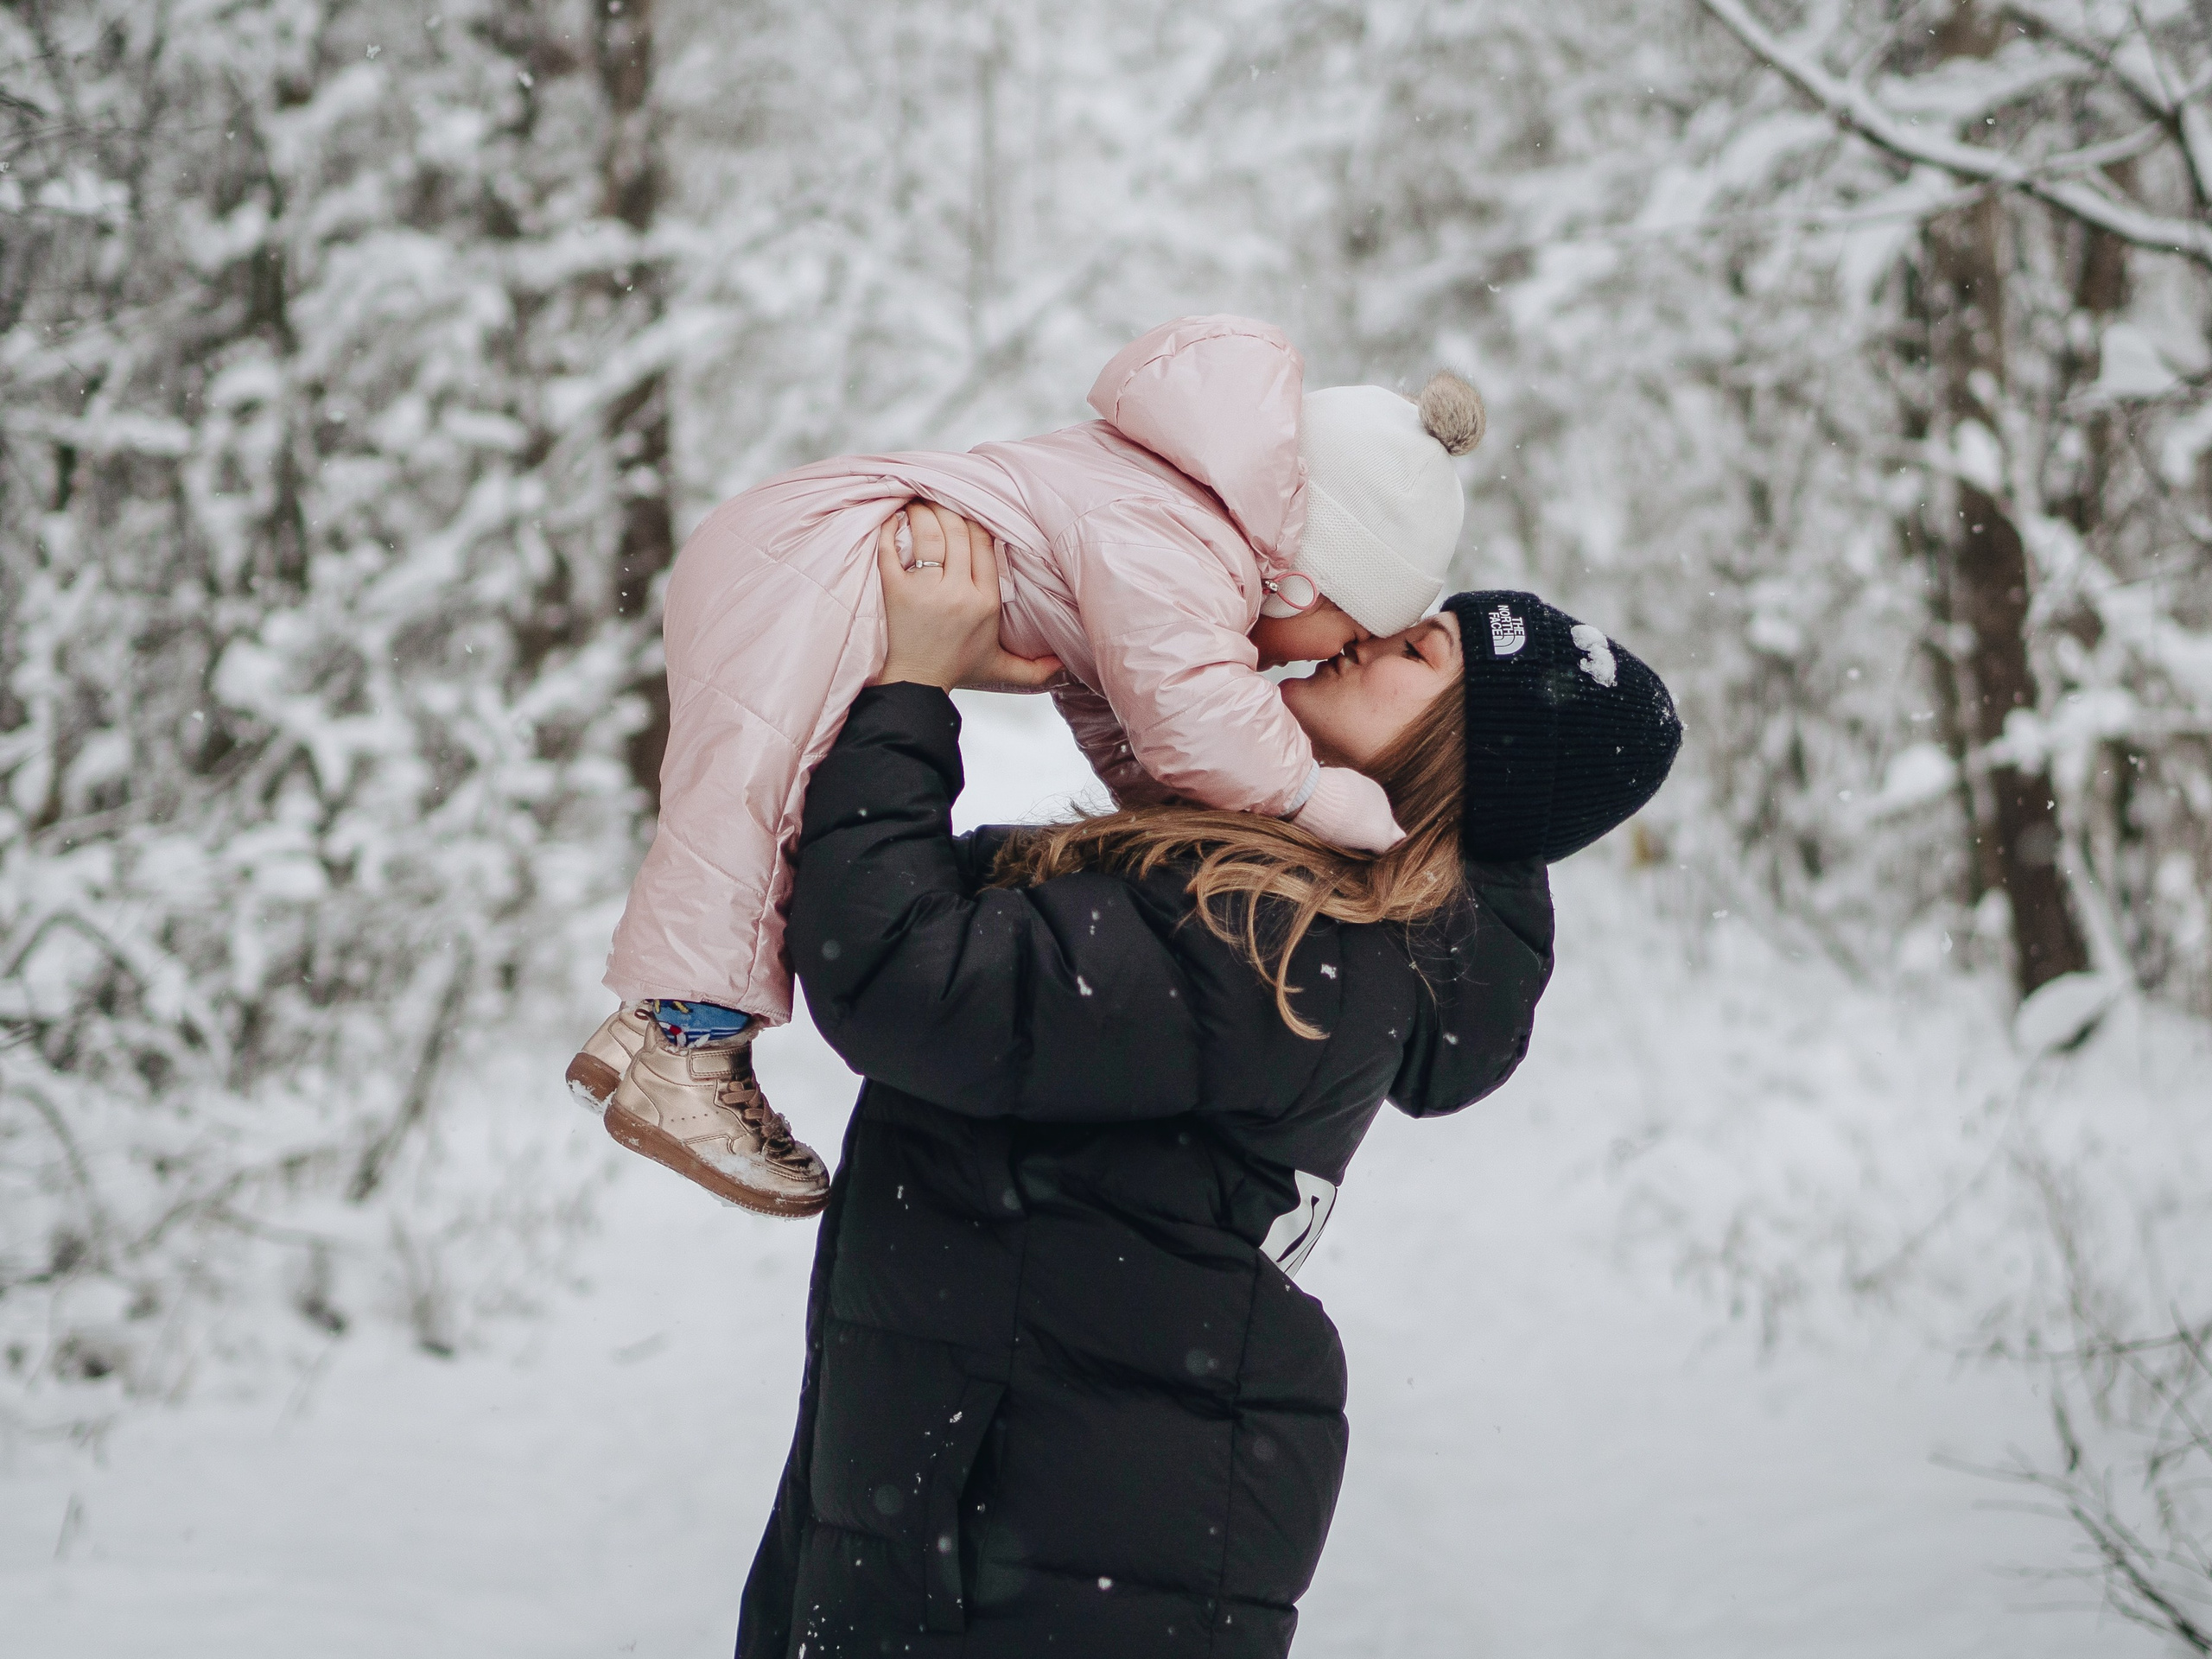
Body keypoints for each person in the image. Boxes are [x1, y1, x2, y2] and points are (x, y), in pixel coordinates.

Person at [735, 510, 1681, 1656]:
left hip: (1055, 1548)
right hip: (1024, 1516)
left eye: (1416, 651)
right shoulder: (1295, 909)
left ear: (1470, 755)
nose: (1367, 637)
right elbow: (977, 924)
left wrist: (913, 691)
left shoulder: (1282, 945)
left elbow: (906, 976)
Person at [568, 315, 1491, 1219]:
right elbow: (1190, 715)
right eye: (1353, 630)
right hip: (821, 558)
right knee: (757, 814)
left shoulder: (1173, 518)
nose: (1320, 656)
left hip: (800, 542)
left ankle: (650, 1030)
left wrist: (1159, 797)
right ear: (1308, 577)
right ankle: (694, 1050)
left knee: (750, 795)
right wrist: (1314, 794)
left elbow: (1120, 702)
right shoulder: (1184, 543)